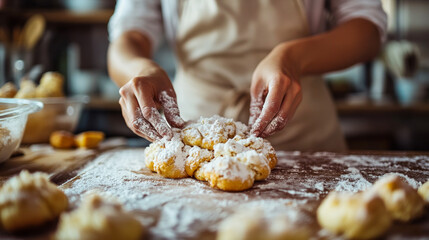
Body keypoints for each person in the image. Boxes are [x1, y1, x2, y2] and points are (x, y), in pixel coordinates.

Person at [107, 0, 387, 152]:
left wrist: (292, 57)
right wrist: (141, 70)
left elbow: (366, 30)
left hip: (303, 133)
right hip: (194, 133)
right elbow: (129, 34)